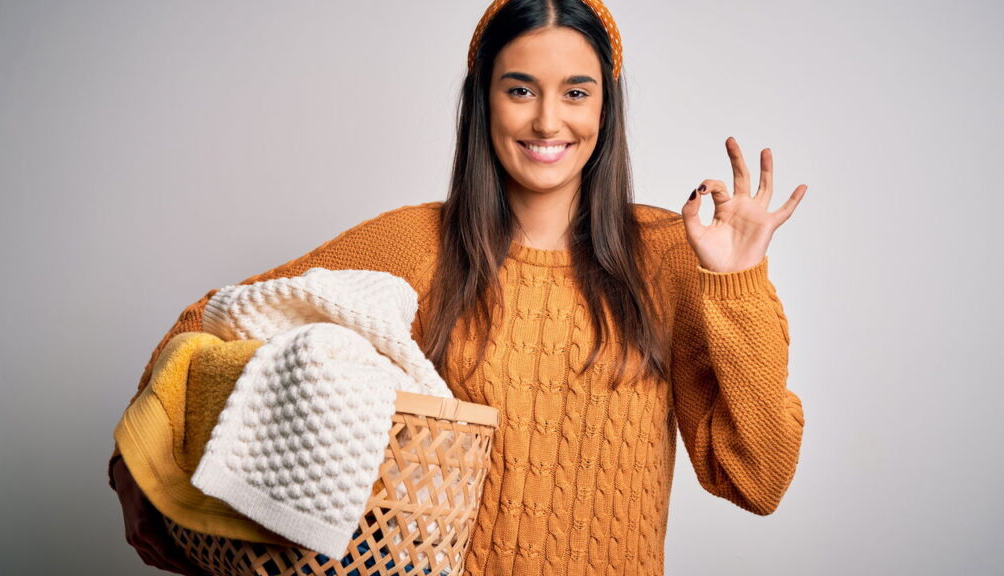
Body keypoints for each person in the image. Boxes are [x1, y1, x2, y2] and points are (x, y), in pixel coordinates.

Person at [109, 0, 808, 574]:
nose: (546, 120)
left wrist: (737, 282)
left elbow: (757, 480)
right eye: (520, 89)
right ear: (484, 100)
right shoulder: (417, 243)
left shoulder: (670, 256)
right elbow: (212, 319)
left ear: (606, 107)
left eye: (575, 92)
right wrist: (136, 467)